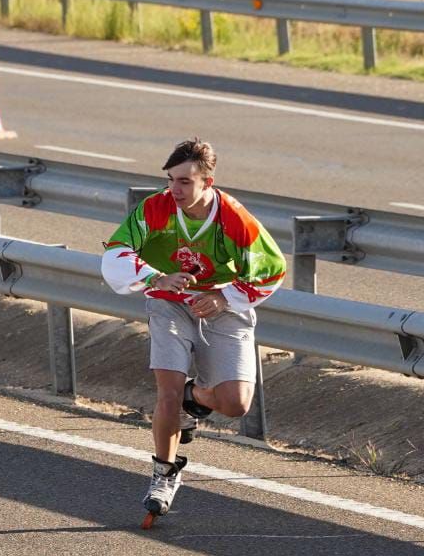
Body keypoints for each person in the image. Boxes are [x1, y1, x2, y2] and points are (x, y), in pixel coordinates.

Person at [102, 138, 287, 519]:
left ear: (208, 181)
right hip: (170, 303)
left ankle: (194, 400)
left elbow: (272, 268)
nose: (175, 189)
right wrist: (156, 278)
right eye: (171, 179)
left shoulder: (233, 218)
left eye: (185, 181)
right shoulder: (155, 209)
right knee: (165, 390)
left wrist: (224, 297)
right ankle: (163, 475)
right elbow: (116, 252)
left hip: (223, 306)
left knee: (235, 404)